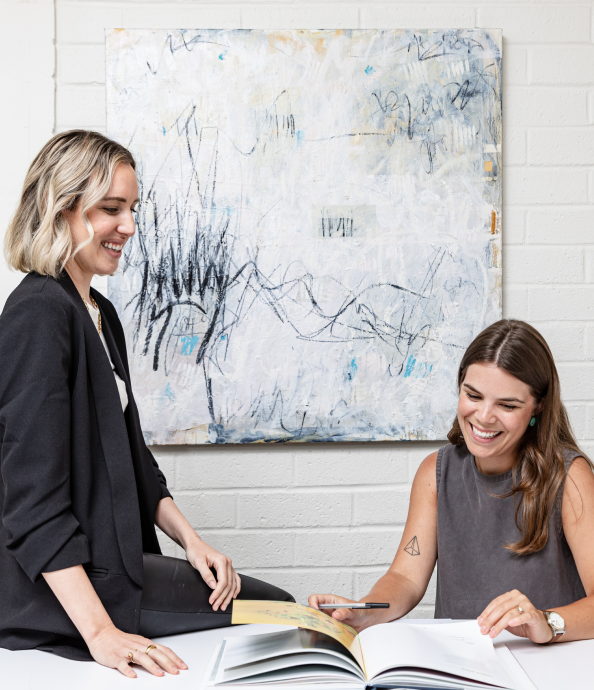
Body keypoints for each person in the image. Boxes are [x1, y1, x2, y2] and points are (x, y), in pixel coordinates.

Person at [0, 130, 293, 678]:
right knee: (282, 613)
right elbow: (30, 503)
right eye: (112, 209)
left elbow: (135, 463)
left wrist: (193, 543)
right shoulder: (39, 314)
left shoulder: (98, 313)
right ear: (62, 209)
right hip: (73, 593)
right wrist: (100, 634)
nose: (130, 226)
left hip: (119, 568)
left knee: (281, 611)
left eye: (133, 209)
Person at [310, 319, 594, 644]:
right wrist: (364, 611)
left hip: (545, 664)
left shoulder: (570, 477)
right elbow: (405, 577)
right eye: (473, 395)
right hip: (459, 662)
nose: (484, 416)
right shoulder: (435, 473)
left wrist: (547, 621)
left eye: (507, 405)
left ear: (538, 406)